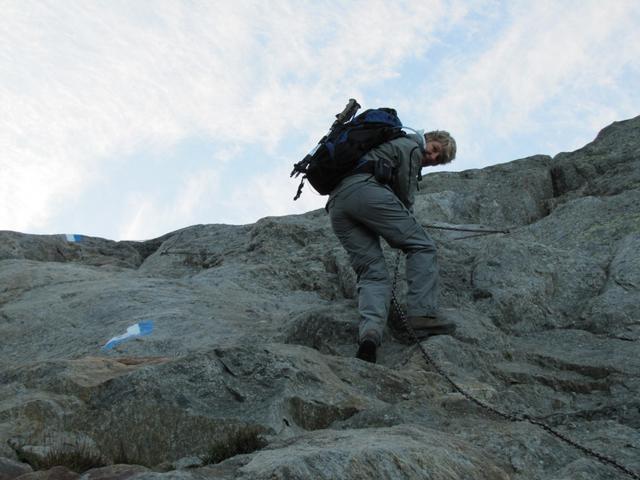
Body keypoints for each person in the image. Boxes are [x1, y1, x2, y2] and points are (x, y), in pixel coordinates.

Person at [326, 130, 457, 363]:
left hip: (338, 204)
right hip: (366, 192)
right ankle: (422, 315)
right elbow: (405, 195)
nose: (432, 157)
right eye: (436, 149)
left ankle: (369, 336)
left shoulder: (389, 146)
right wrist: (408, 221)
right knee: (422, 245)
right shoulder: (411, 145)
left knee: (372, 272)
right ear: (428, 137)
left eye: (438, 160)